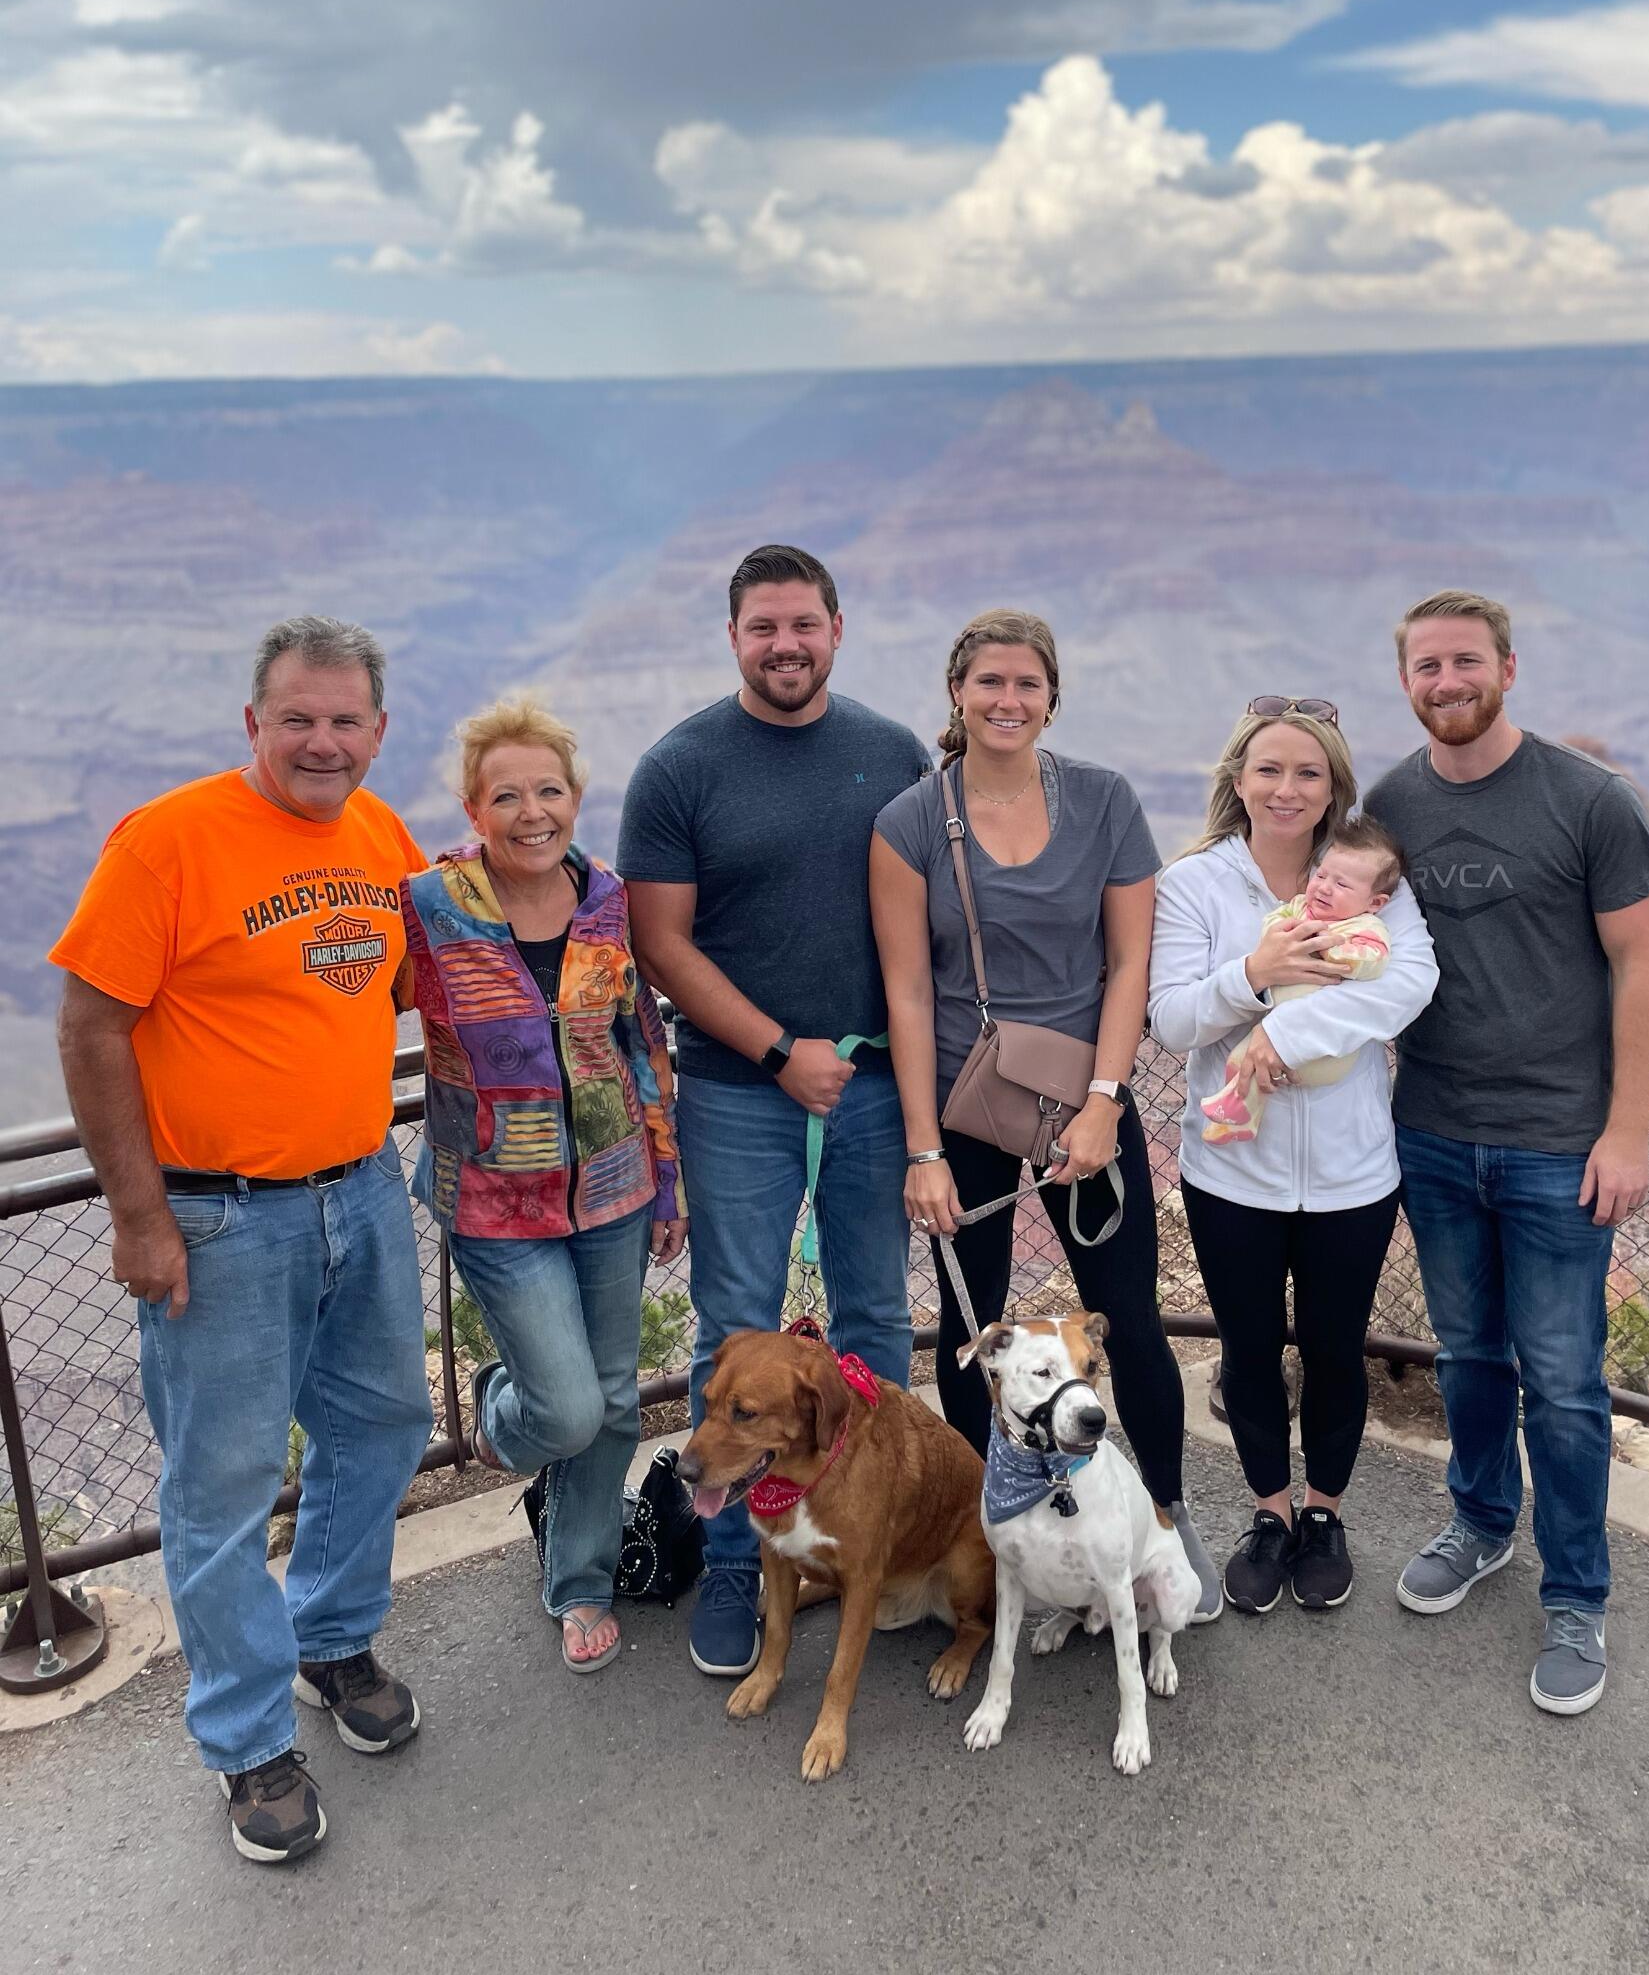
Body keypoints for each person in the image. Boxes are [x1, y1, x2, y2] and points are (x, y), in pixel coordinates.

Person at [49, 616, 433, 1866]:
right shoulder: (168, 840)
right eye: (298, 718)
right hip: (216, 1217)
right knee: (218, 1489)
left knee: (380, 1425)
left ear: (379, 731)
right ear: (253, 723)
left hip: (362, 1189)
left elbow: (411, 980)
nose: (322, 741)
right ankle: (248, 1739)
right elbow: (91, 1026)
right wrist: (138, 1213)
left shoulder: (378, 832)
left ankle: (329, 1636)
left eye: (345, 720)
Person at [618, 543, 929, 1680]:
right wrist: (774, 1050)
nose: (785, 645)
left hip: (873, 1086)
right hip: (740, 1093)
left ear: (837, 630)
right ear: (734, 636)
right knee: (734, 1328)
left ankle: (872, 1546)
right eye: (764, 628)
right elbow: (661, 942)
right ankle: (745, 1563)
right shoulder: (681, 767)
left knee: (874, 1330)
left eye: (804, 624)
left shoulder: (891, 752)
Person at [871, 607, 1221, 1619]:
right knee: (969, 1331)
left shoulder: (1104, 802)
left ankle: (1163, 1513)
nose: (1007, 701)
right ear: (956, 693)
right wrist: (923, 1148)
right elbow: (904, 993)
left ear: (1052, 696)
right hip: (962, 1100)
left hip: (1084, 1106)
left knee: (1136, 1325)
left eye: (1027, 685)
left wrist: (1107, 1102)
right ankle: (1006, 1525)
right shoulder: (907, 823)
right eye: (989, 683)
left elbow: (1128, 964)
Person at [1366, 589, 1649, 1717]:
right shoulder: (1390, 801)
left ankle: (1577, 1595)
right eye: (1425, 668)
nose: (1445, 683)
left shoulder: (1589, 799)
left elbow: (1642, 970)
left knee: (1566, 1382)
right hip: (1436, 1131)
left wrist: (1628, 1130)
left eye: (1464, 662)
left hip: (1558, 1142)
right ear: (1406, 681)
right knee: (1466, 1356)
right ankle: (1483, 1523)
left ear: (1507, 665)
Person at [400, 697, 685, 1675]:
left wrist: (668, 1179)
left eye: (549, 789)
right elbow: (339, 1009)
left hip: (614, 1187)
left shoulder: (605, 896)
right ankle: (497, 1414)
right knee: (563, 1410)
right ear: (474, 808)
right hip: (493, 1200)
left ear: (576, 795)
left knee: (612, 1402)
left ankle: (579, 1581)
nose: (532, 811)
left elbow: (640, 1040)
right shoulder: (429, 905)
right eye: (506, 794)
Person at [1151, 709, 1438, 1613]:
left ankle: (1324, 1513)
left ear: (1333, 788)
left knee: (1332, 1350)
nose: (1286, 790)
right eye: (1268, 770)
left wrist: (1283, 1029)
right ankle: (1268, 1513)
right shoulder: (1196, 884)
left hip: (1353, 1174)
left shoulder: (1366, 880)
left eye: (1308, 774)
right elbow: (1170, 1019)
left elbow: (1406, 985)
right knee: (1247, 1350)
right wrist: (1254, 972)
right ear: (1237, 778)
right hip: (1233, 1174)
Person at [1200, 829, 1399, 1142]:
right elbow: (1273, 922)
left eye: (1342, 884)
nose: (1324, 888)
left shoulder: (1364, 926)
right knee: (1242, 1059)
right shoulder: (1299, 908)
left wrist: (1334, 951)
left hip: (1325, 1049)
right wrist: (1281, 934)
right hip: (1274, 1029)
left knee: (1255, 1060)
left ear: (1375, 902)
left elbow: (1374, 959)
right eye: (1321, 875)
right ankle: (1239, 1118)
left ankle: (1238, 1109)